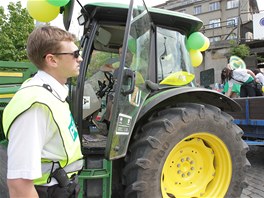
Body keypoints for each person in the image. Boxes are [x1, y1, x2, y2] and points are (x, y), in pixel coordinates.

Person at [2, 26, 84, 198]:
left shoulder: (52, 95)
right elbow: (19, 186)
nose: (80, 59)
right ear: (52, 60)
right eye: (75, 54)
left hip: (62, 188)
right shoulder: (36, 105)